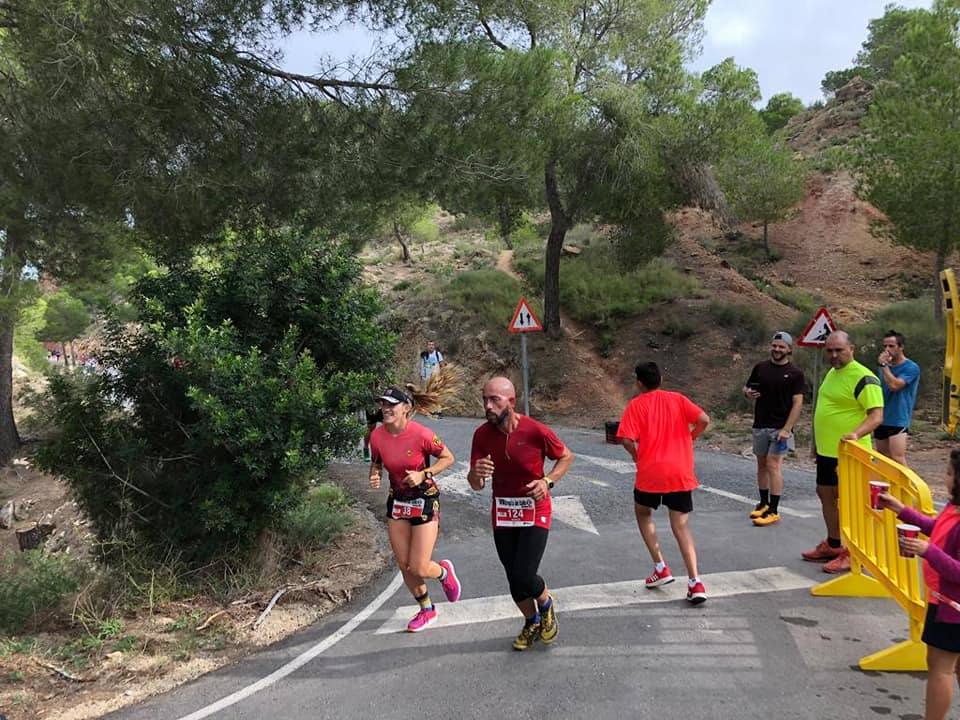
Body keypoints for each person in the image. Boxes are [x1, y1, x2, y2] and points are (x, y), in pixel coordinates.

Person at [467, 376, 574, 651]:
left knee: (526, 573)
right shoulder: (481, 435)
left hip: (534, 509)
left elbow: (565, 456)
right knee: (513, 576)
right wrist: (475, 474)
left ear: (511, 402)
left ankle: (546, 603)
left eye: (494, 400)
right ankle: (531, 620)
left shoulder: (535, 430)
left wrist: (547, 481)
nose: (488, 406)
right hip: (503, 513)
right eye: (484, 400)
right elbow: (476, 484)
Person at [368, 386, 462, 633]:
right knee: (404, 565)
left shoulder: (421, 434)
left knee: (419, 566)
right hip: (397, 502)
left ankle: (443, 572)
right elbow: (376, 464)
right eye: (383, 404)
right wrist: (375, 475)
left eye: (392, 405)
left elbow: (448, 458)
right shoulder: (377, 436)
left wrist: (424, 474)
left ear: (406, 408)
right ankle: (427, 609)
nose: (386, 409)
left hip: (424, 501)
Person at [617, 361, 711, 604]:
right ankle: (695, 582)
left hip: (650, 472)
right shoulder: (678, 399)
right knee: (680, 525)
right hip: (679, 471)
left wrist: (637, 456)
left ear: (639, 383)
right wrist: (690, 437)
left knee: (643, 513)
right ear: (661, 379)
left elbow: (626, 439)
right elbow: (704, 419)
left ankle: (660, 566)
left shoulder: (636, 405)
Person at [877, 450, 960, 720]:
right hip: (944, 602)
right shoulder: (953, 508)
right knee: (953, 667)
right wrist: (902, 510)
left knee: (940, 668)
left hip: (949, 607)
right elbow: (936, 528)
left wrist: (927, 551)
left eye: (949, 473)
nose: (944, 477)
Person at [803, 330, 884, 574]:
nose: (834, 355)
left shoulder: (864, 378)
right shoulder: (832, 372)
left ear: (852, 348)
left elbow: (876, 415)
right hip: (828, 452)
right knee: (826, 494)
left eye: (839, 350)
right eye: (830, 351)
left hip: (852, 454)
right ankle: (834, 544)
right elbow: (827, 408)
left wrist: (856, 434)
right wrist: (817, 444)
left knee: (851, 503)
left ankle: (853, 553)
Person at [874, 329, 921, 467]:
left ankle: (908, 487)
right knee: (883, 459)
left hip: (898, 418)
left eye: (891, 346)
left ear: (901, 347)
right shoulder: (884, 368)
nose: (887, 350)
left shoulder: (911, 367)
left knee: (897, 457)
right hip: (882, 417)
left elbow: (895, 385)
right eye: (885, 346)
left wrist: (884, 366)